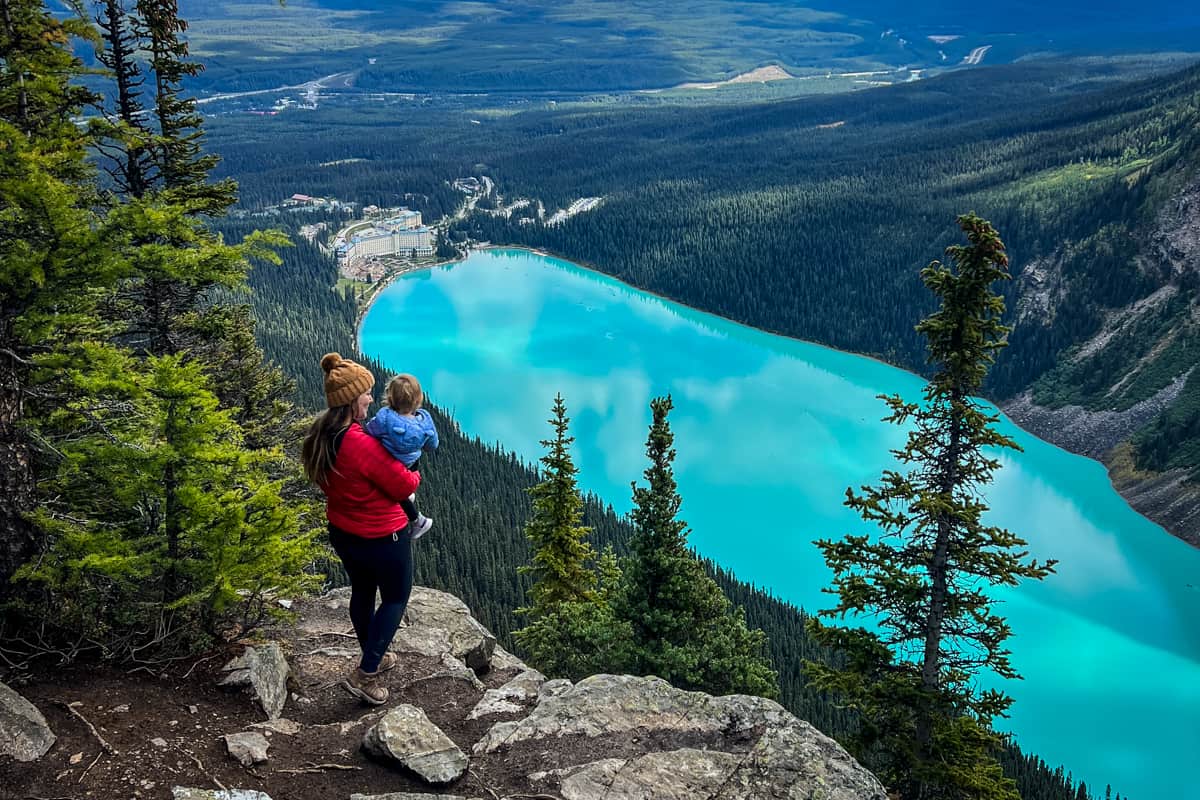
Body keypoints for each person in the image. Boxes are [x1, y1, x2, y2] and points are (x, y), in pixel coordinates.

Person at [301, 352, 420, 705]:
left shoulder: (324, 435)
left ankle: (375, 656)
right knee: (396, 597)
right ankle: (366, 675)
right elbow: (403, 485)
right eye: (366, 393)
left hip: (344, 532)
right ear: (352, 400)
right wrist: (415, 474)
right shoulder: (359, 443)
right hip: (382, 536)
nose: (371, 398)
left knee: (363, 592)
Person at [365, 373, 439, 540]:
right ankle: (407, 493)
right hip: (413, 464)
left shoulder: (385, 417)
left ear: (390, 397)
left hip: (391, 466)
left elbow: (369, 431)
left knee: (387, 488)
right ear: (418, 399)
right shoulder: (425, 421)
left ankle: (418, 521)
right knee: (400, 488)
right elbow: (432, 446)